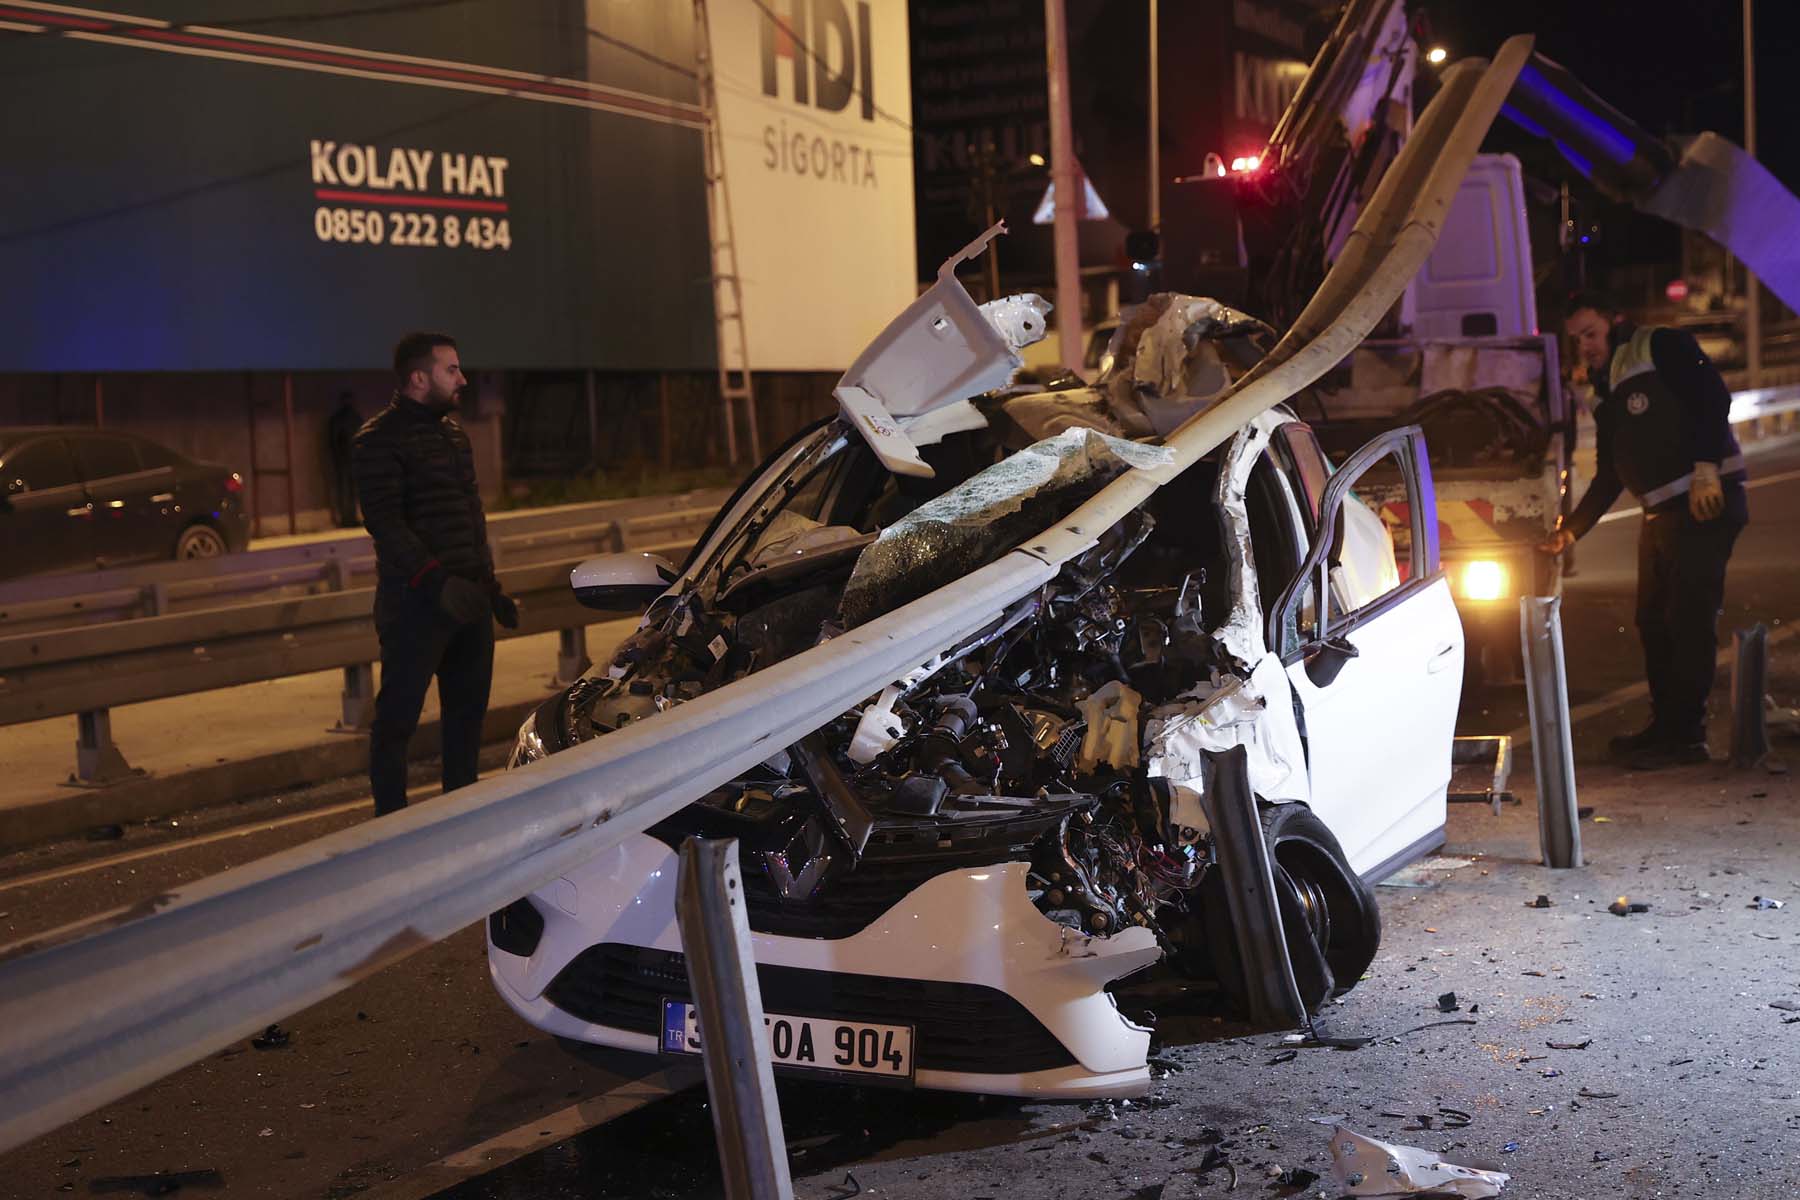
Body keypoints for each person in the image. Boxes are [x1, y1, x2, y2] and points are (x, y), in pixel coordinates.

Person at [1541, 293, 1748, 769]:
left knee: (1687, 620)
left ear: (1614, 320)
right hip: (1661, 515)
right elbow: (1610, 474)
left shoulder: (1661, 346)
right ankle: (1666, 727)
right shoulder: (1604, 387)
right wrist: (1570, 532)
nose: (1585, 347)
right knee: (1652, 622)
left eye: (1590, 334)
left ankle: (1687, 737)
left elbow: (1713, 397)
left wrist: (1705, 467)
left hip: (1704, 504)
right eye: (1576, 340)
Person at [353, 332, 519, 815]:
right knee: (397, 721)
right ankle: (390, 825)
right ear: (419, 378)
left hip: (468, 601)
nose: (463, 378)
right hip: (414, 606)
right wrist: (435, 581)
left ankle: (459, 821)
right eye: (452, 370)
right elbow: (385, 523)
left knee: (466, 722)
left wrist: (490, 590)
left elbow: (471, 518)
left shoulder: (453, 436)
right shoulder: (376, 440)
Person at [325, 392, 362, 527]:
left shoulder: (348, 418)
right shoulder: (350, 418)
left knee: (349, 489)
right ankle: (346, 517)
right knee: (347, 489)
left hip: (348, 459)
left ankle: (349, 517)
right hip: (346, 459)